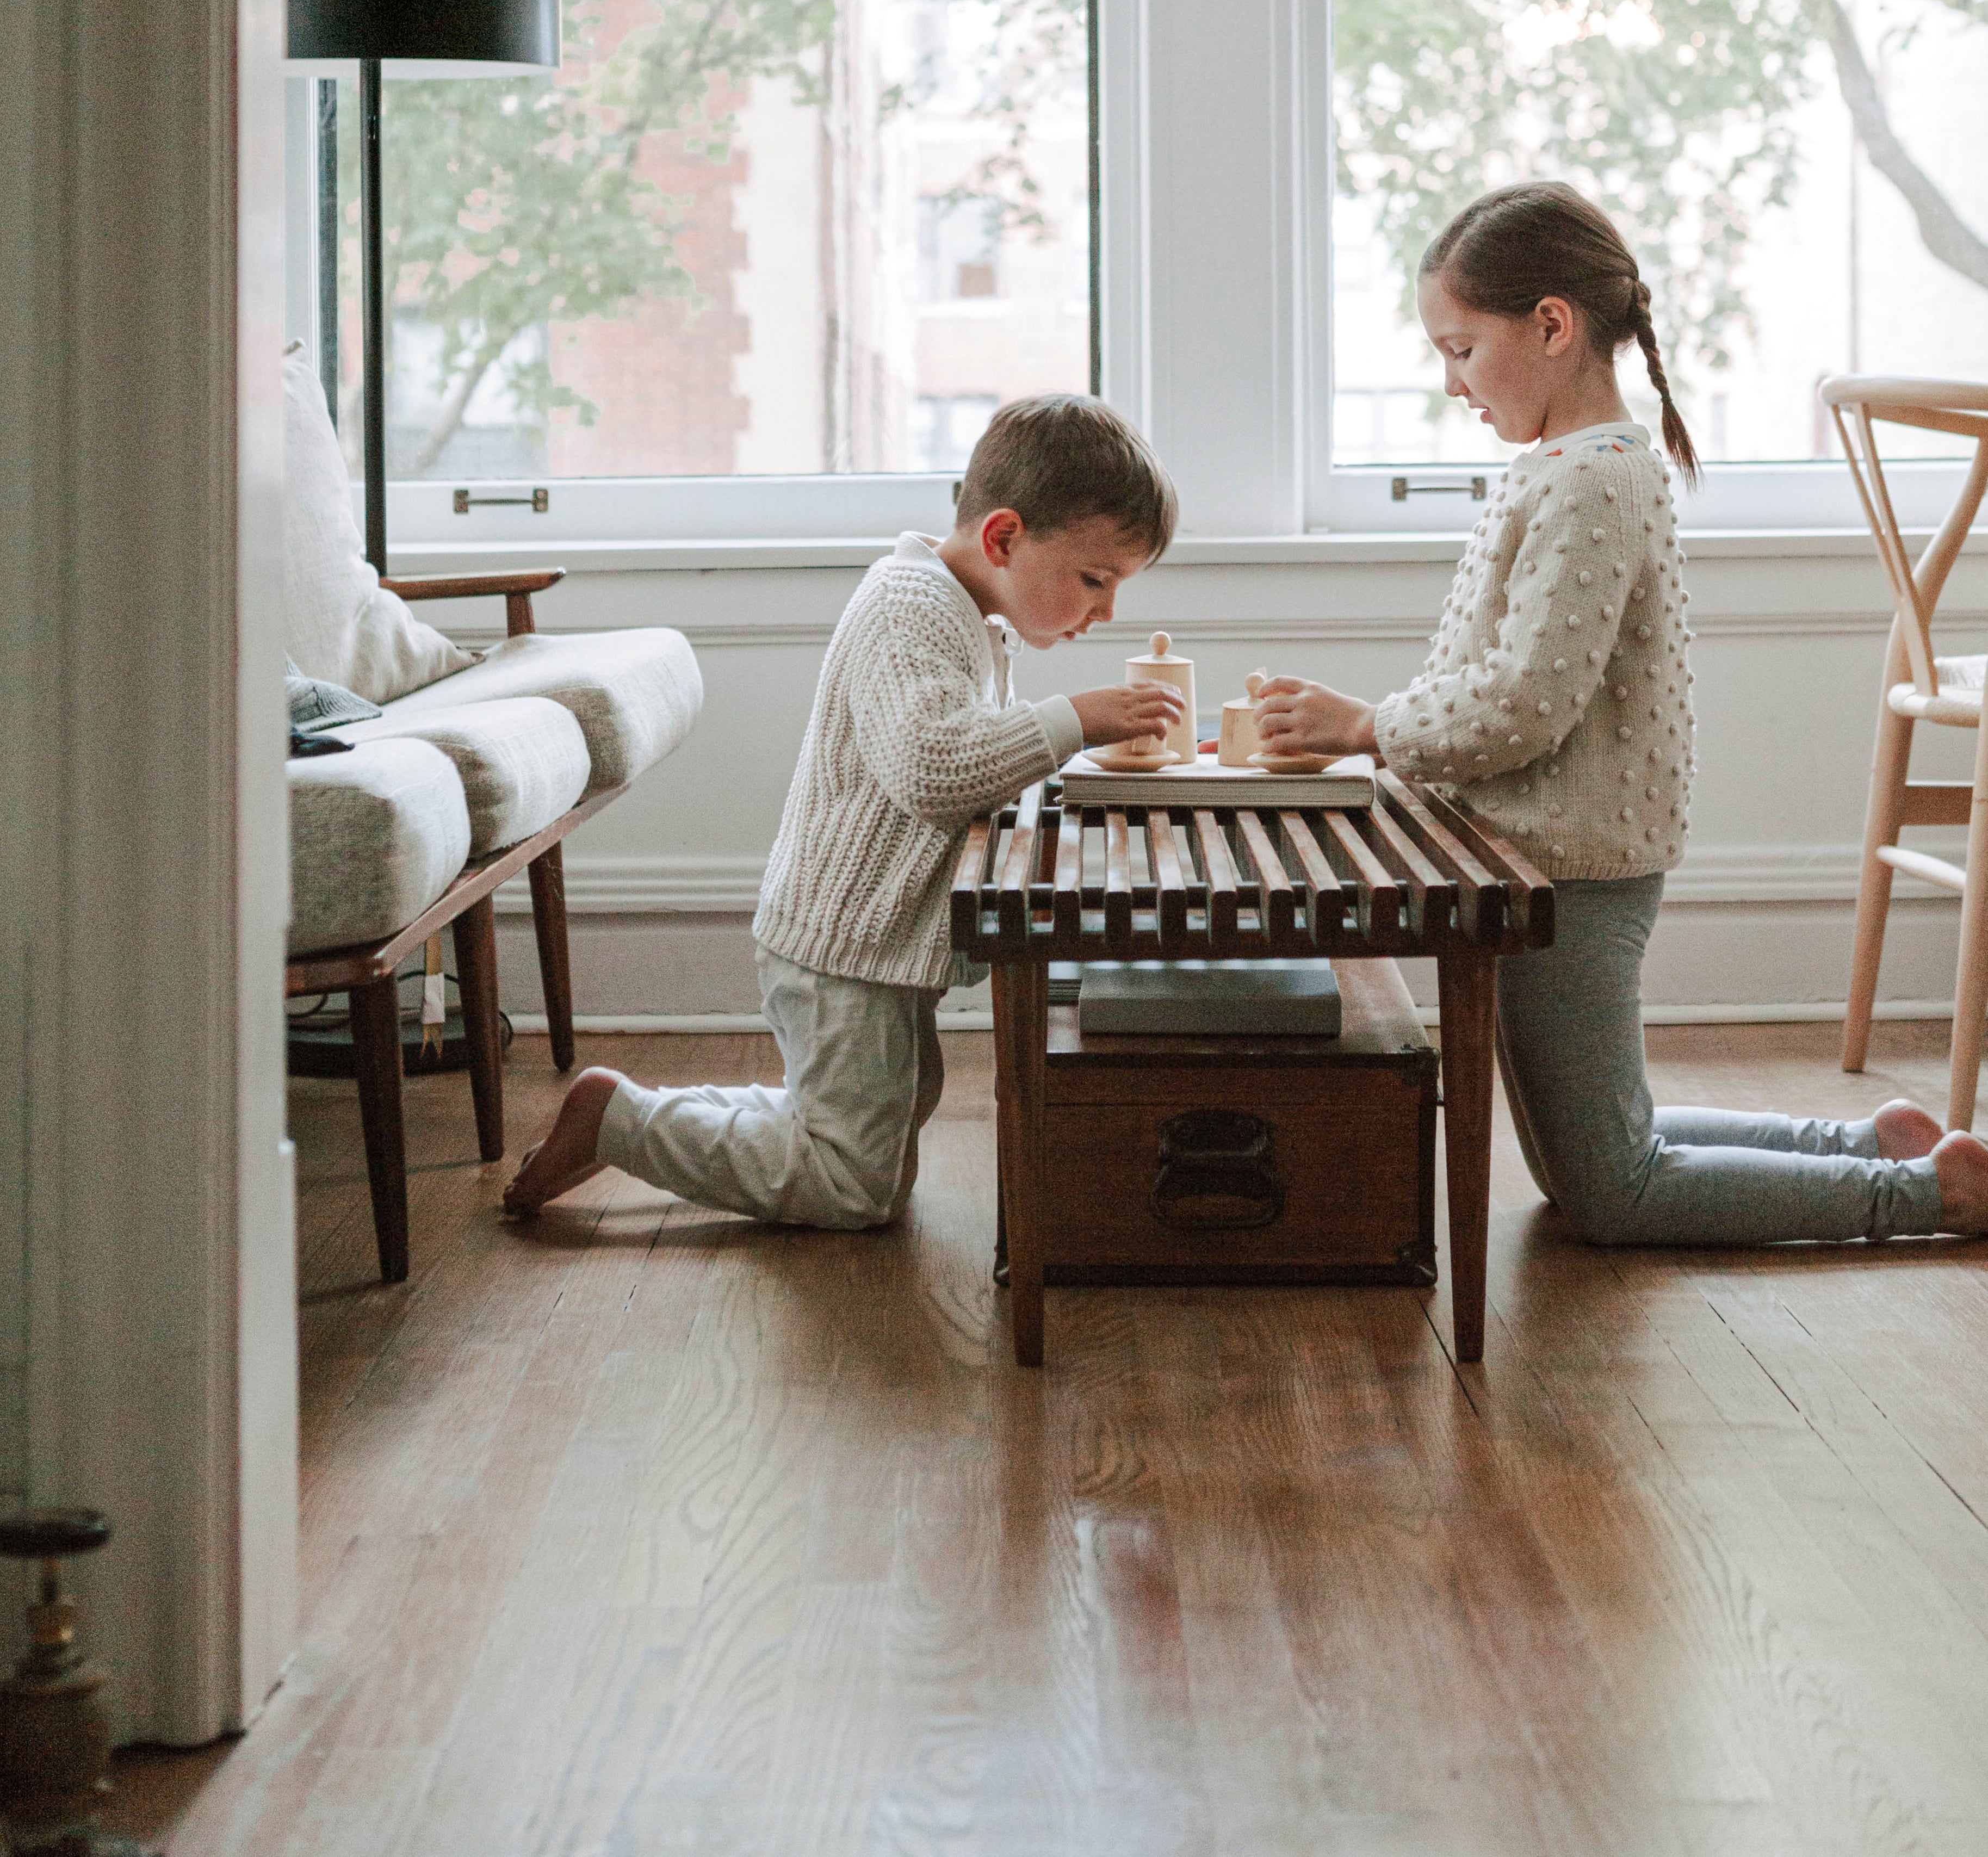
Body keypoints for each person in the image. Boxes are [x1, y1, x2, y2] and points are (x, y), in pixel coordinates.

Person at [1257, 179, 1988, 1246]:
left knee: (1611, 1187)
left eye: (1460, 349)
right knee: (1596, 1156)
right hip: (1542, 858)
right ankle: (1868, 1146)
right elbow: (1497, 673)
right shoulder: (1564, 469)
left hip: (1574, 869)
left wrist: (1367, 728)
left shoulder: (1592, 479)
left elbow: (1525, 701)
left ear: (1550, 326)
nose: (1449, 380)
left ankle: (1928, 1196)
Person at [504, 393, 1180, 1231]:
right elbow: (934, 767)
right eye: (1094, 580)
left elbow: (978, 753)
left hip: (874, 943)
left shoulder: (970, 613)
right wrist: (1075, 720)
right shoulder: (912, 607)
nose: (1106, 610)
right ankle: (619, 1123)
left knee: (877, 1119)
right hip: (847, 944)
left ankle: (650, 1112)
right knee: (855, 1187)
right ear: (1005, 537)